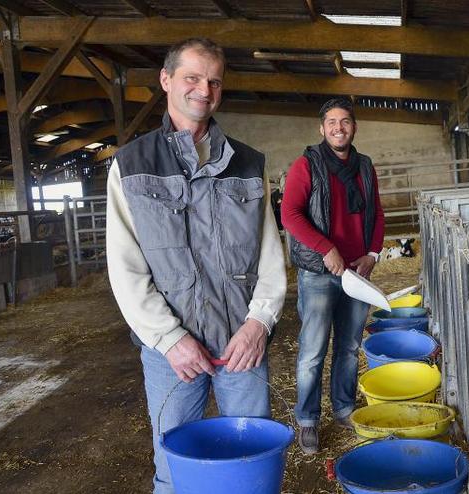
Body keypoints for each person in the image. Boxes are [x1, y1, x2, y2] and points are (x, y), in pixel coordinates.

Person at [106, 38, 286, 493]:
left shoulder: (248, 163)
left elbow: (270, 255)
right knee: (173, 466)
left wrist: (259, 323)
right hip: (172, 354)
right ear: (166, 81)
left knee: (250, 459)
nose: (204, 90)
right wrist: (169, 338)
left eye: (214, 81)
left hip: (242, 345)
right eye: (192, 77)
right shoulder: (131, 165)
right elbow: (125, 269)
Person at [281, 98, 385, 454]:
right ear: (321, 128)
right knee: (312, 351)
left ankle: (343, 408)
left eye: (345, 121)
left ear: (354, 127)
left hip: (357, 272)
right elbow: (290, 215)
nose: (338, 127)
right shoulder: (306, 165)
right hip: (319, 273)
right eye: (331, 122)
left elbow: (378, 214)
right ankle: (308, 420)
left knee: (349, 346)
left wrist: (372, 253)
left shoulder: (365, 166)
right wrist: (326, 249)